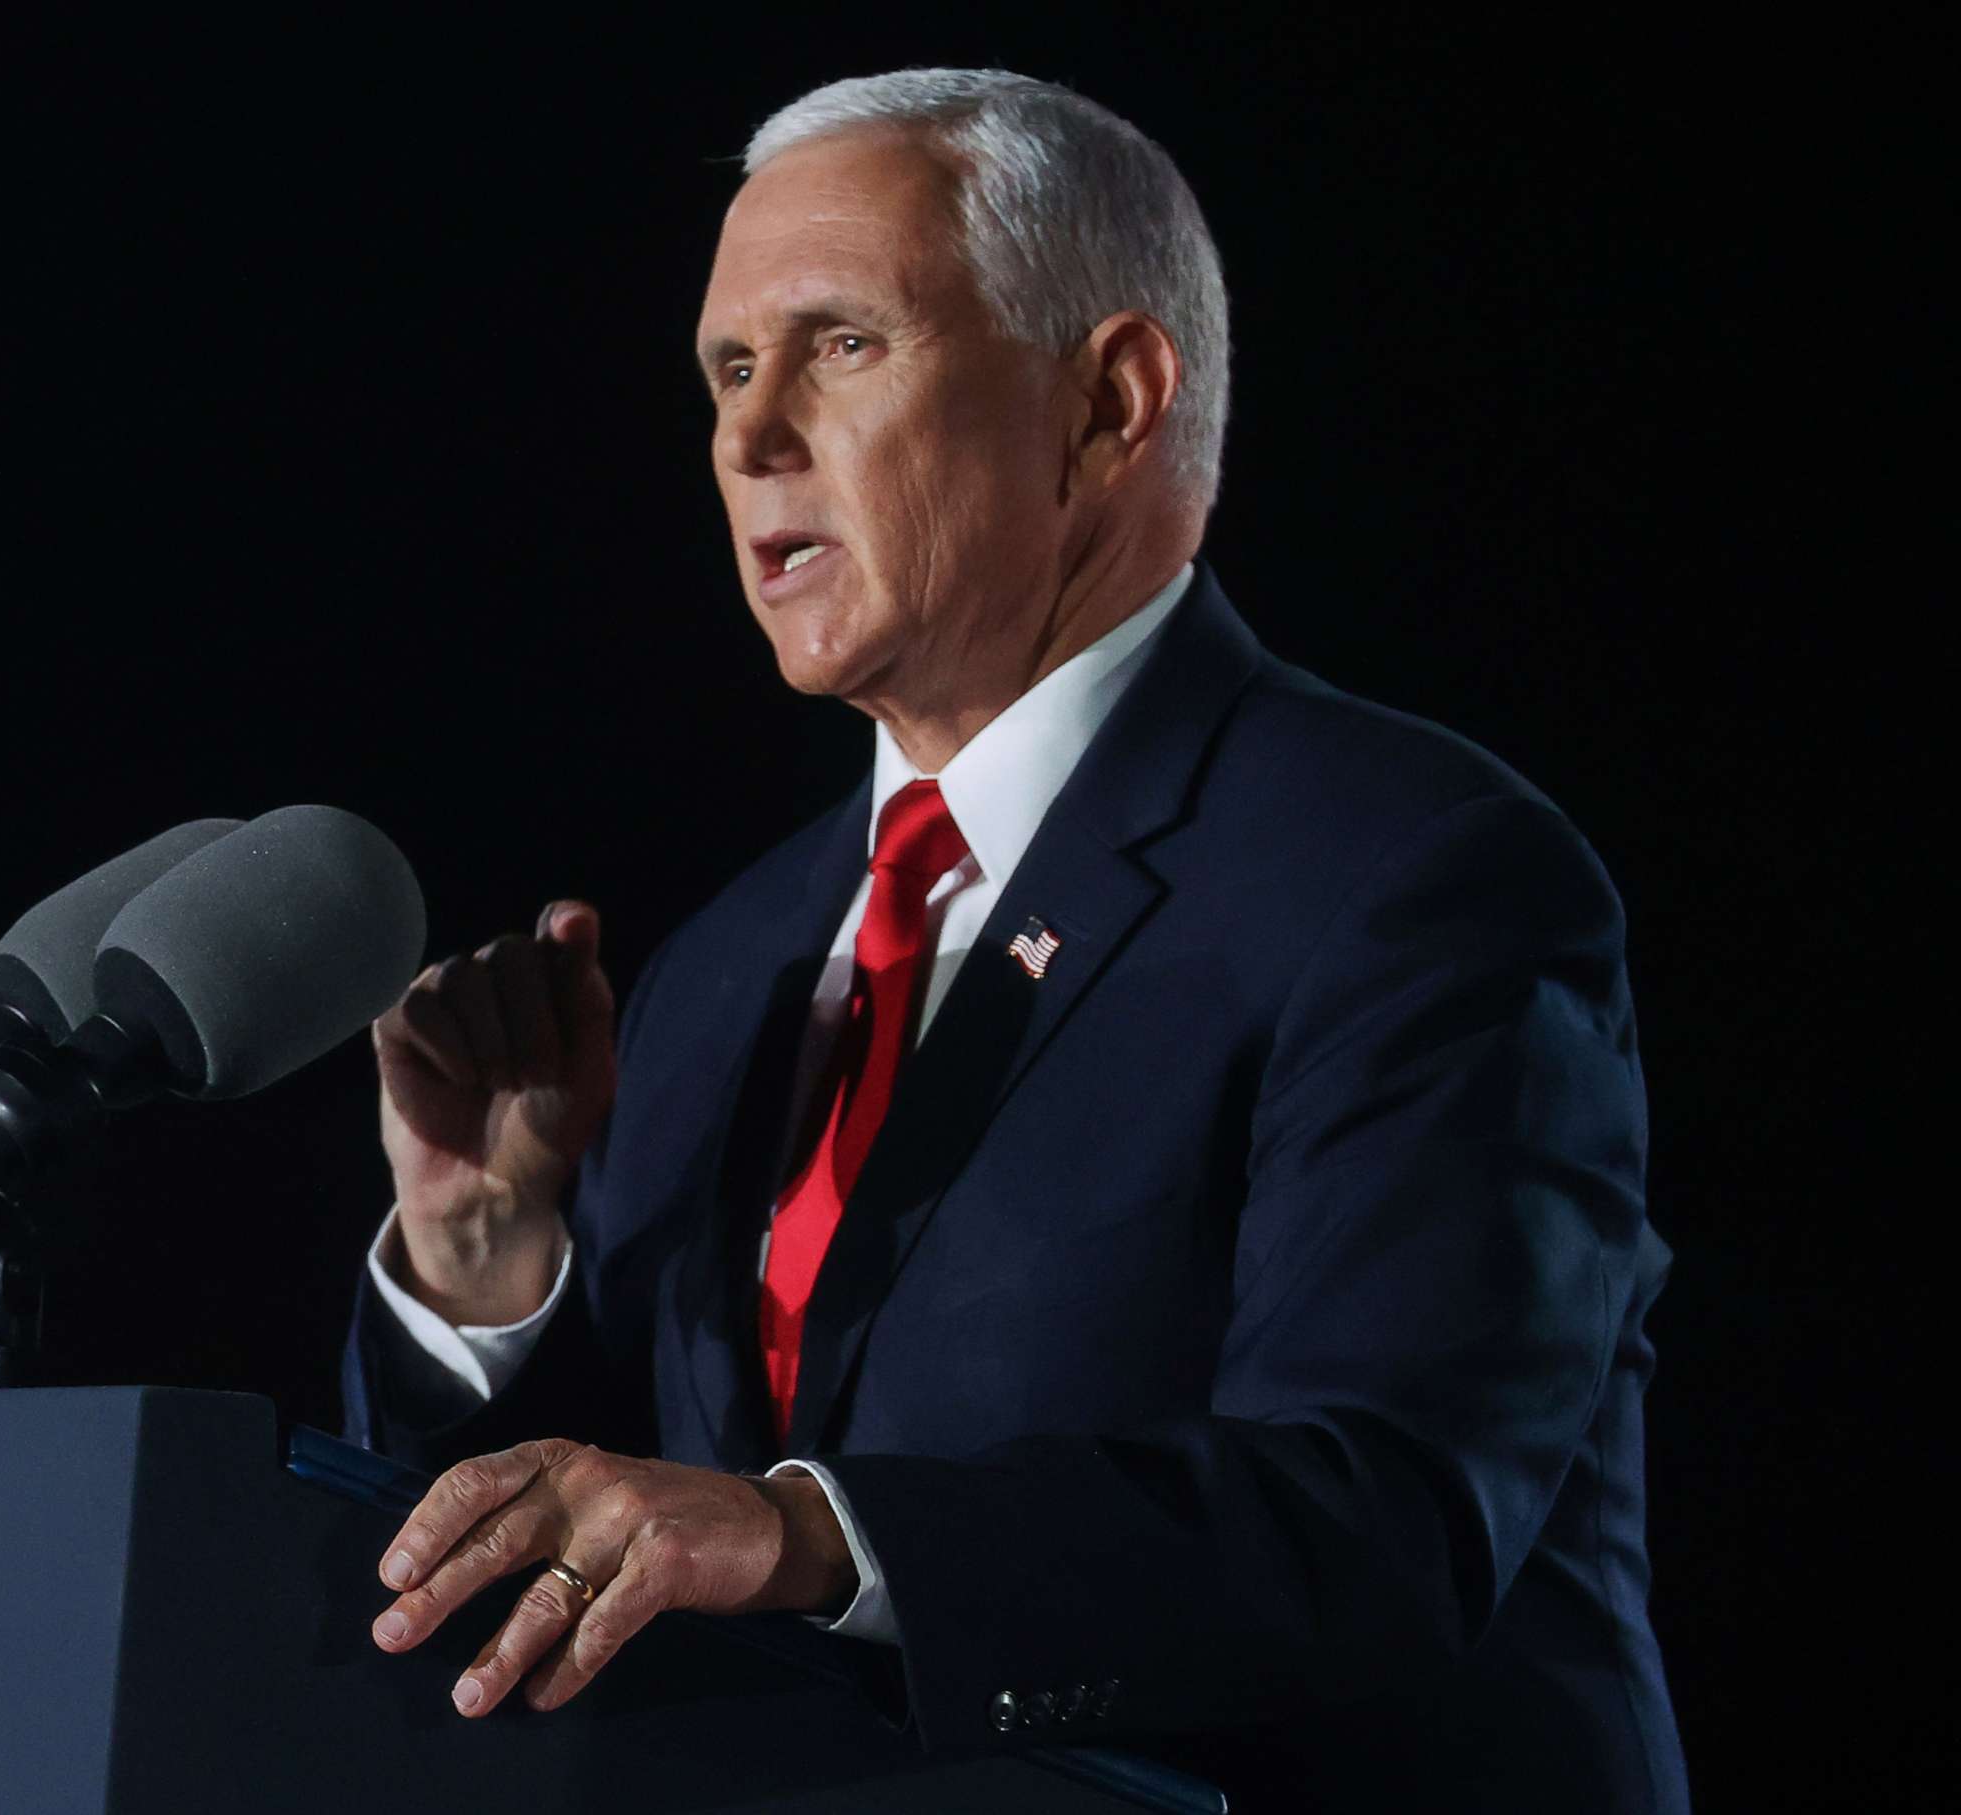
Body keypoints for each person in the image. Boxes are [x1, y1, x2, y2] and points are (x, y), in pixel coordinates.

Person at [341, 68, 1687, 1812]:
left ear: (1109, 404)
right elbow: (560, 1579)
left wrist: (806, 1535)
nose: (749, 439)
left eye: (837, 346)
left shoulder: (1417, 879)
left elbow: (1388, 1521)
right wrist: (485, 1266)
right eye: (728, 372)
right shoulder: (720, 970)